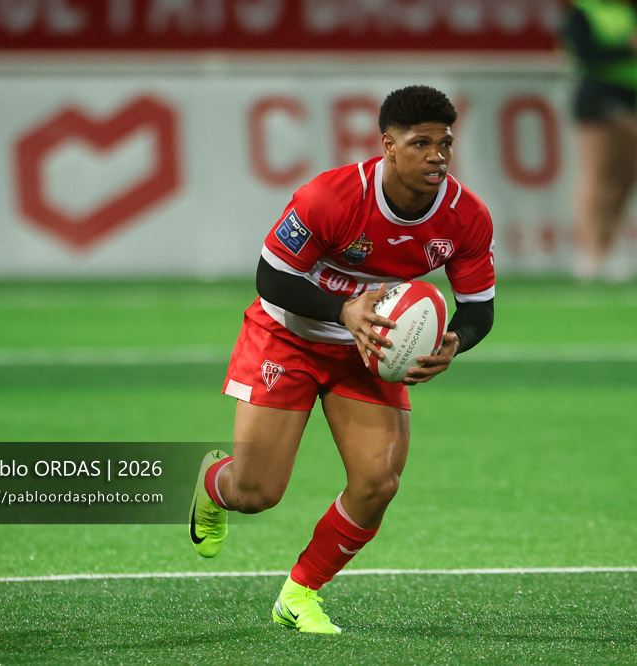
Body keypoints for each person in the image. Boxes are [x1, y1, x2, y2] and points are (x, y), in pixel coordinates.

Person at [189, 85, 496, 634]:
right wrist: (342, 310)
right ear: (388, 145)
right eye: (421, 143)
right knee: (256, 493)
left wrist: (456, 340)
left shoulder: (465, 216)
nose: (437, 156)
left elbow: (479, 309)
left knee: (378, 482)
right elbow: (271, 277)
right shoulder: (330, 197)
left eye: (445, 143)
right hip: (288, 336)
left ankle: (299, 593)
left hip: (369, 350)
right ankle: (213, 484)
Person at [561, 0, 637, 281]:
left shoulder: (634, 12)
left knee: (628, 175)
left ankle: (607, 246)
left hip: (633, 95)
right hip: (597, 95)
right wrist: (629, 49)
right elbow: (584, 52)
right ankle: (588, 251)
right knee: (597, 172)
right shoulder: (585, 11)